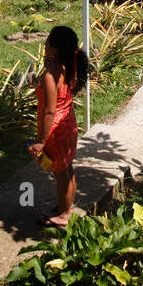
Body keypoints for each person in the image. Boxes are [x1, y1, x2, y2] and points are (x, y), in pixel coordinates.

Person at [27, 26, 87, 228]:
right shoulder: (68, 65)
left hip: (55, 129)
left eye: (47, 42)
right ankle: (67, 206)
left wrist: (41, 142)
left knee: (60, 173)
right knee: (67, 167)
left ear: (55, 48)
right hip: (68, 122)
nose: (44, 45)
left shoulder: (50, 76)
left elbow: (49, 112)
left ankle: (64, 215)